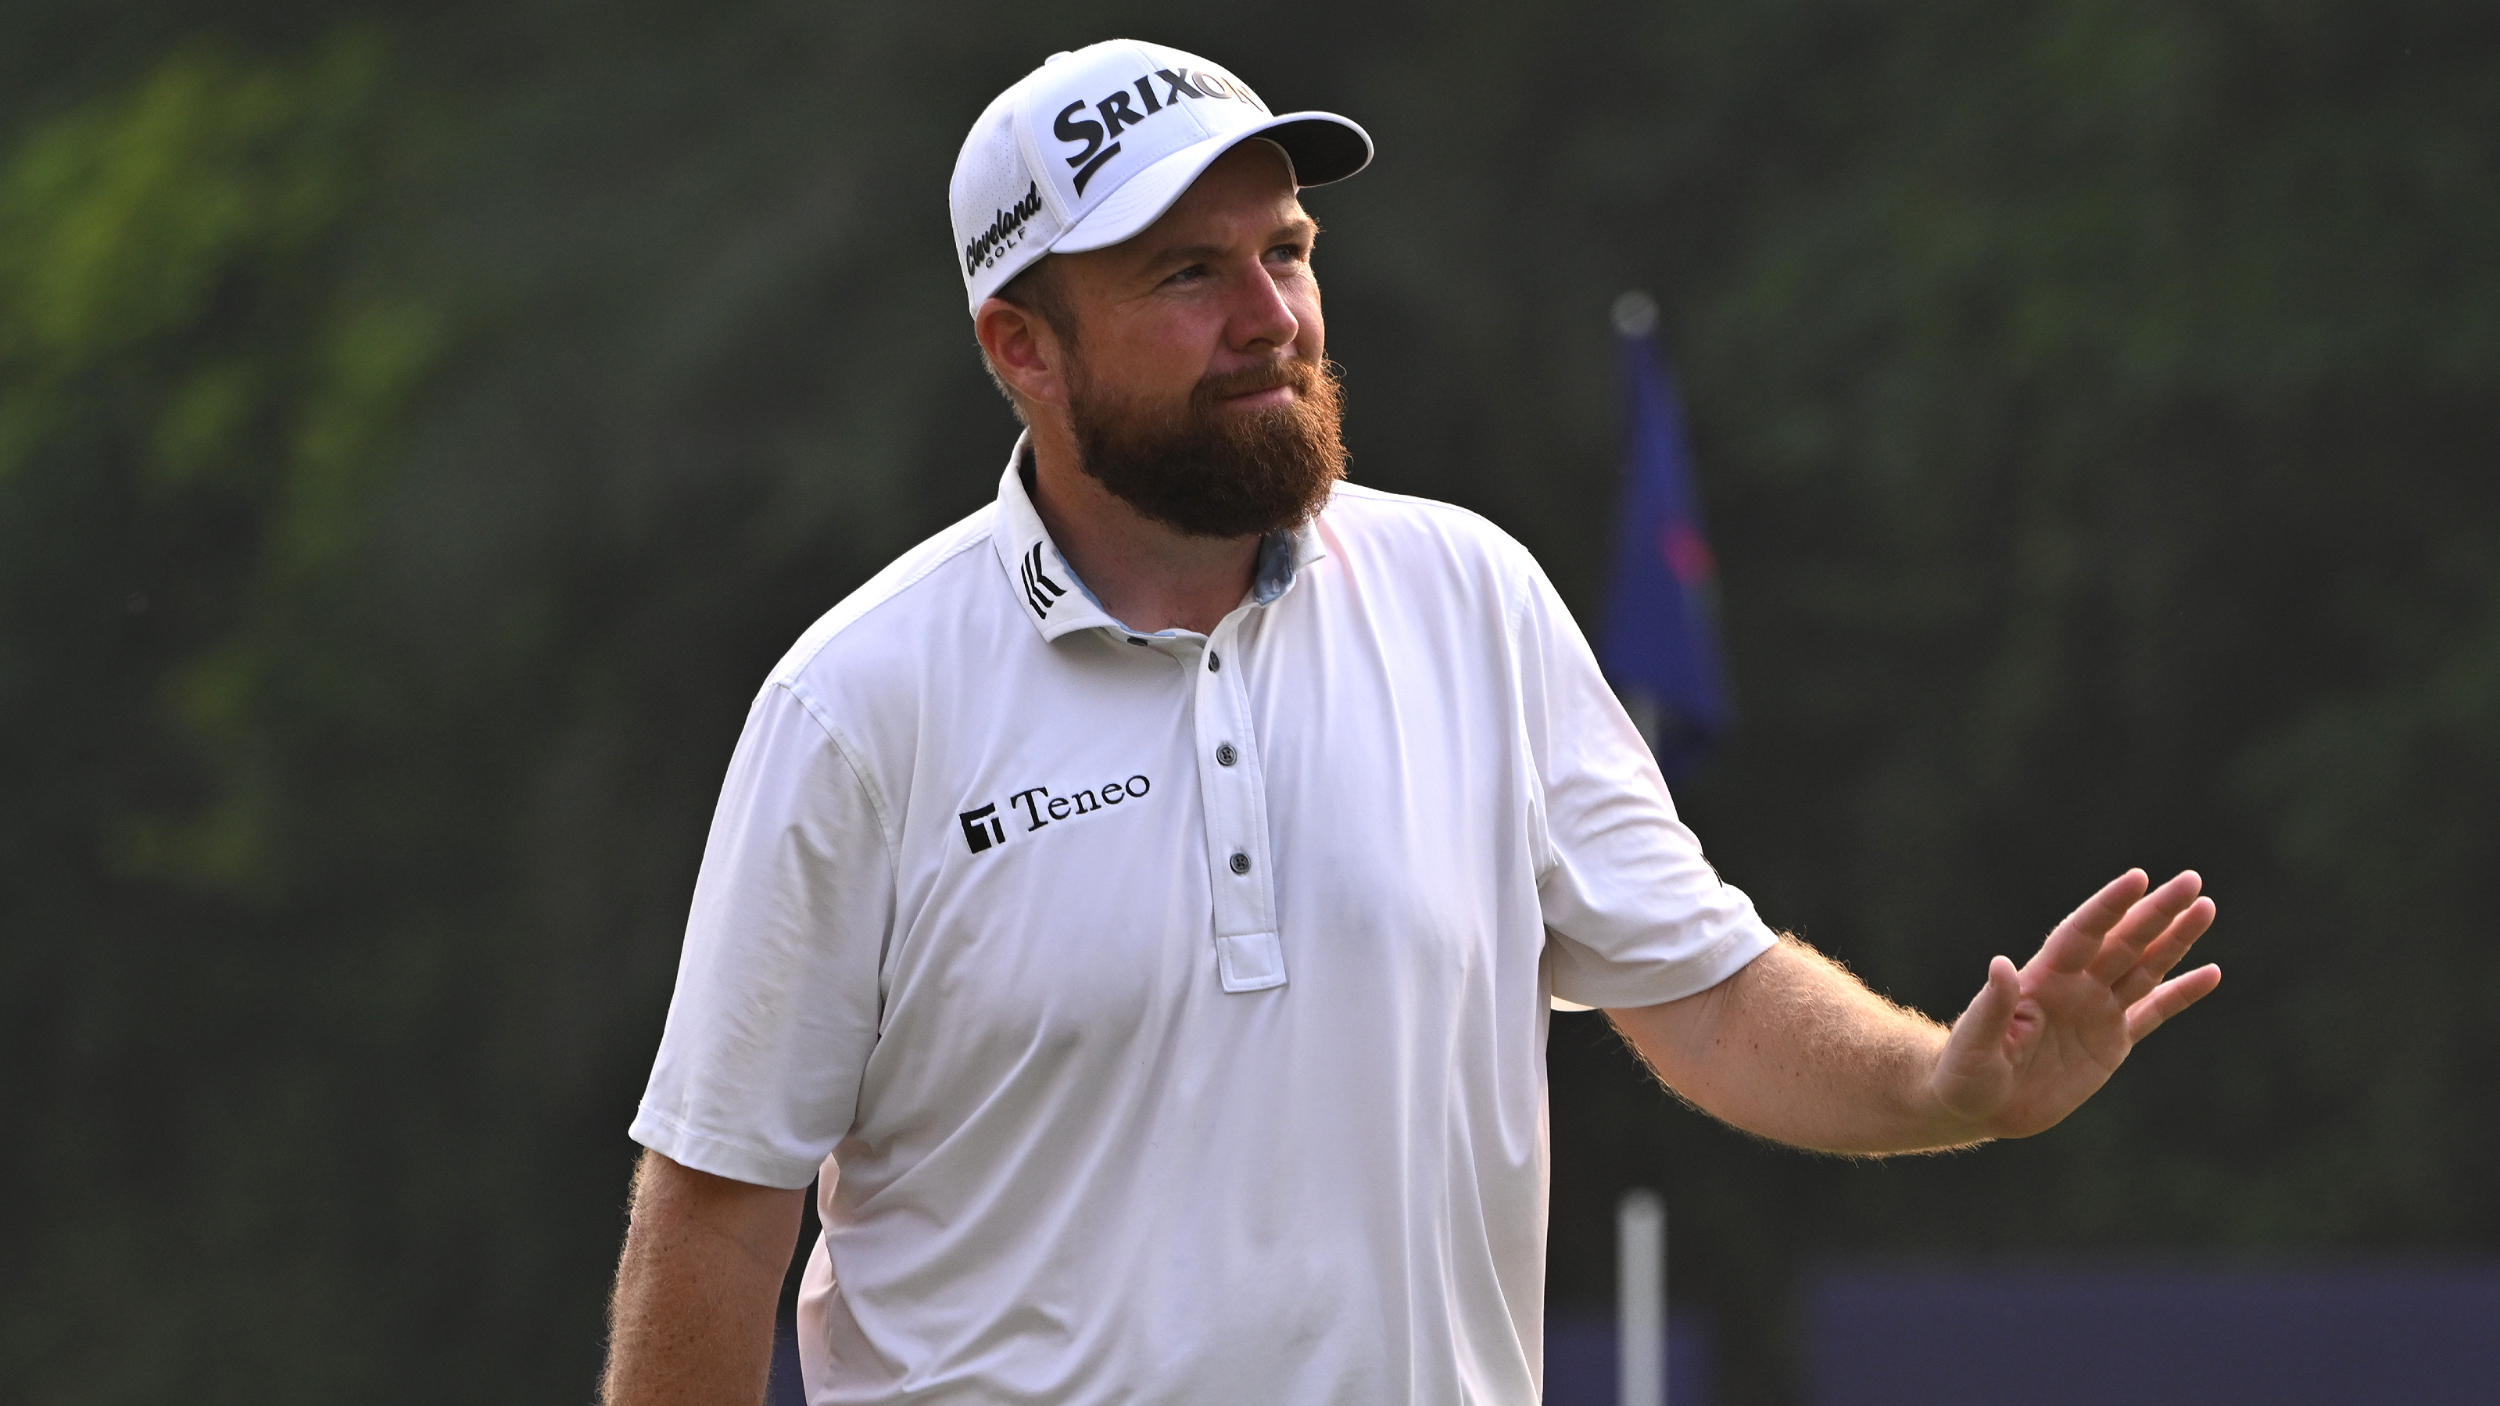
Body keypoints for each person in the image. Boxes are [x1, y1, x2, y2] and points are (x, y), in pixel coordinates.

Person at [600, 38, 2221, 1406]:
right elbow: (718, 1213)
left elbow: (1709, 995)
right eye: (1187, 273)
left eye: (1286, 252)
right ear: (1021, 347)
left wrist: (1948, 1083)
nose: (1273, 316)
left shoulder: (1471, 597)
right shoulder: (858, 703)